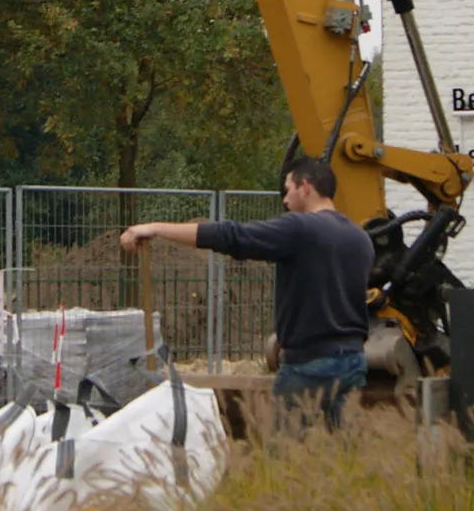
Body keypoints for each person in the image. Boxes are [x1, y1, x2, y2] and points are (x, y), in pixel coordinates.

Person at [120, 156, 372, 428]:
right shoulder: (361, 239)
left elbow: (233, 236)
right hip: (353, 363)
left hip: (309, 366)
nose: (285, 201)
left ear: (305, 186)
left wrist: (156, 228)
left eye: (287, 190)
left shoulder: (300, 228)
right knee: (342, 458)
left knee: (284, 459)